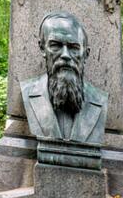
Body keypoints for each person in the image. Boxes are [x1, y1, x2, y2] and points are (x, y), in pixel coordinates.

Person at [20, 11, 107, 144]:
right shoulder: (27, 91)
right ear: (42, 48)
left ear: (86, 54)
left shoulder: (99, 100)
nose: (65, 55)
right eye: (55, 45)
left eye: (74, 47)